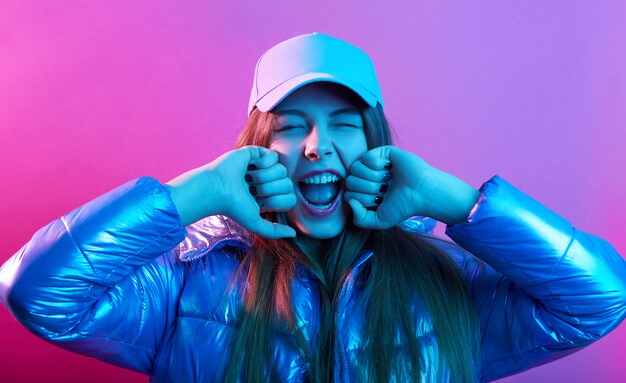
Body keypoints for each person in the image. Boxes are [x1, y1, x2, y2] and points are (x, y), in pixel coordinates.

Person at [1, 32, 625, 383]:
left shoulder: (450, 282)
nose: (317, 146)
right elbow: (36, 292)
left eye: (345, 125)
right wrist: (198, 193)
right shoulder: (187, 283)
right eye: (289, 125)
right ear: (256, 148)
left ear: (376, 142)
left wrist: (454, 201)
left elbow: (600, 298)